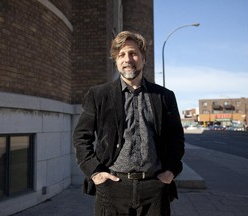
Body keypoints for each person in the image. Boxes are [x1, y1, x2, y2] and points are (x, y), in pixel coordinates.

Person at [73, 31, 185, 216]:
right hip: (112, 188)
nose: (128, 59)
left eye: (133, 53)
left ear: (143, 58)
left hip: (155, 188)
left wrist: (170, 172)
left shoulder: (165, 97)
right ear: (116, 60)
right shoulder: (98, 95)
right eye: (121, 55)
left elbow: (176, 138)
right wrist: (95, 173)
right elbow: (81, 137)